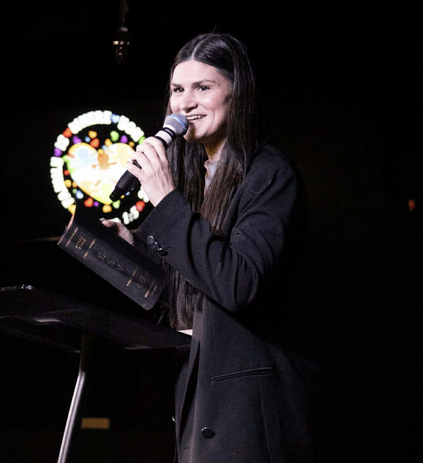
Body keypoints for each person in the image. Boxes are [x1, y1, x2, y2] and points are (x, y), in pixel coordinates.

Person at [103, 33, 314, 463]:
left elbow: (237, 283)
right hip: (202, 395)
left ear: (239, 94)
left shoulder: (269, 174)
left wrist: (165, 201)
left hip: (250, 410)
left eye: (203, 87)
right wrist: (129, 248)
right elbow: (191, 289)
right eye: (177, 90)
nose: (185, 103)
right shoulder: (199, 180)